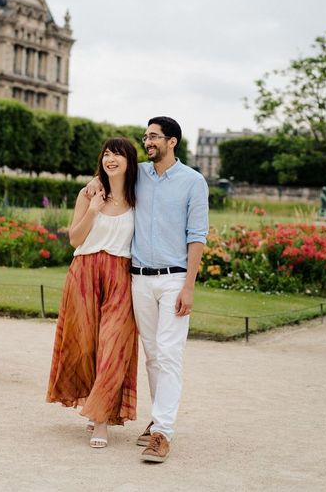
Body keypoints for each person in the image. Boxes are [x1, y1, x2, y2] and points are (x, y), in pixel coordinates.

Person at [85, 116, 209, 463]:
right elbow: (109, 174)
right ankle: (158, 419)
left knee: (168, 354)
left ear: (172, 142)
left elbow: (197, 236)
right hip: (138, 278)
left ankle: (162, 434)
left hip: (174, 279)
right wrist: (97, 178)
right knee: (153, 355)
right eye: (146, 136)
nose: (148, 141)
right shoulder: (137, 174)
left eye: (154, 137)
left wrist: (188, 286)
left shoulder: (193, 182)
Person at [46, 137, 139, 448]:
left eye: (118, 154)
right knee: (85, 348)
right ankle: (94, 405)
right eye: (107, 154)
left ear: (130, 161)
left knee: (113, 348)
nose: (111, 159)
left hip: (120, 278)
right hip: (84, 275)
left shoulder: (139, 198)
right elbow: (75, 238)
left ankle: (100, 422)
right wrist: (94, 210)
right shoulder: (89, 195)